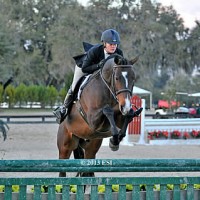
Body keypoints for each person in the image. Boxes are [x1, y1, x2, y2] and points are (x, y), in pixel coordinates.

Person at [53, 29, 124, 124]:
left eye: (115, 44)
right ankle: (64, 108)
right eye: (110, 44)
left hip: (103, 74)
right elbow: (85, 68)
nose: (113, 46)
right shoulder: (95, 51)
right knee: (74, 86)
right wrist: (98, 65)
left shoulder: (119, 53)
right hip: (85, 67)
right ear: (104, 43)